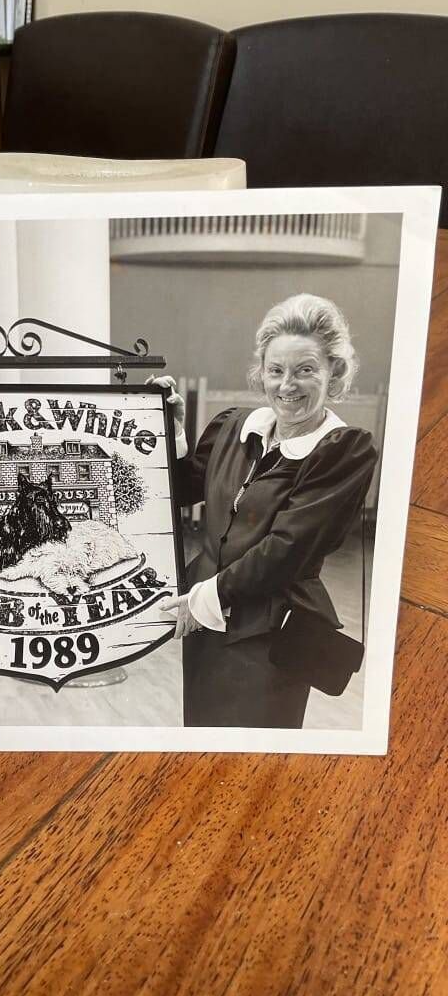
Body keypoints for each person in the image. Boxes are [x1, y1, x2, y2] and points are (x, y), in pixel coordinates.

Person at [155, 293, 378, 728]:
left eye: (305, 370)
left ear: (334, 375)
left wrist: (201, 598)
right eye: (275, 370)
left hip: (271, 636)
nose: (287, 385)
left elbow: (286, 550)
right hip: (206, 627)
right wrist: (171, 429)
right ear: (261, 374)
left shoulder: (344, 450)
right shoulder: (236, 427)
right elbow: (181, 491)